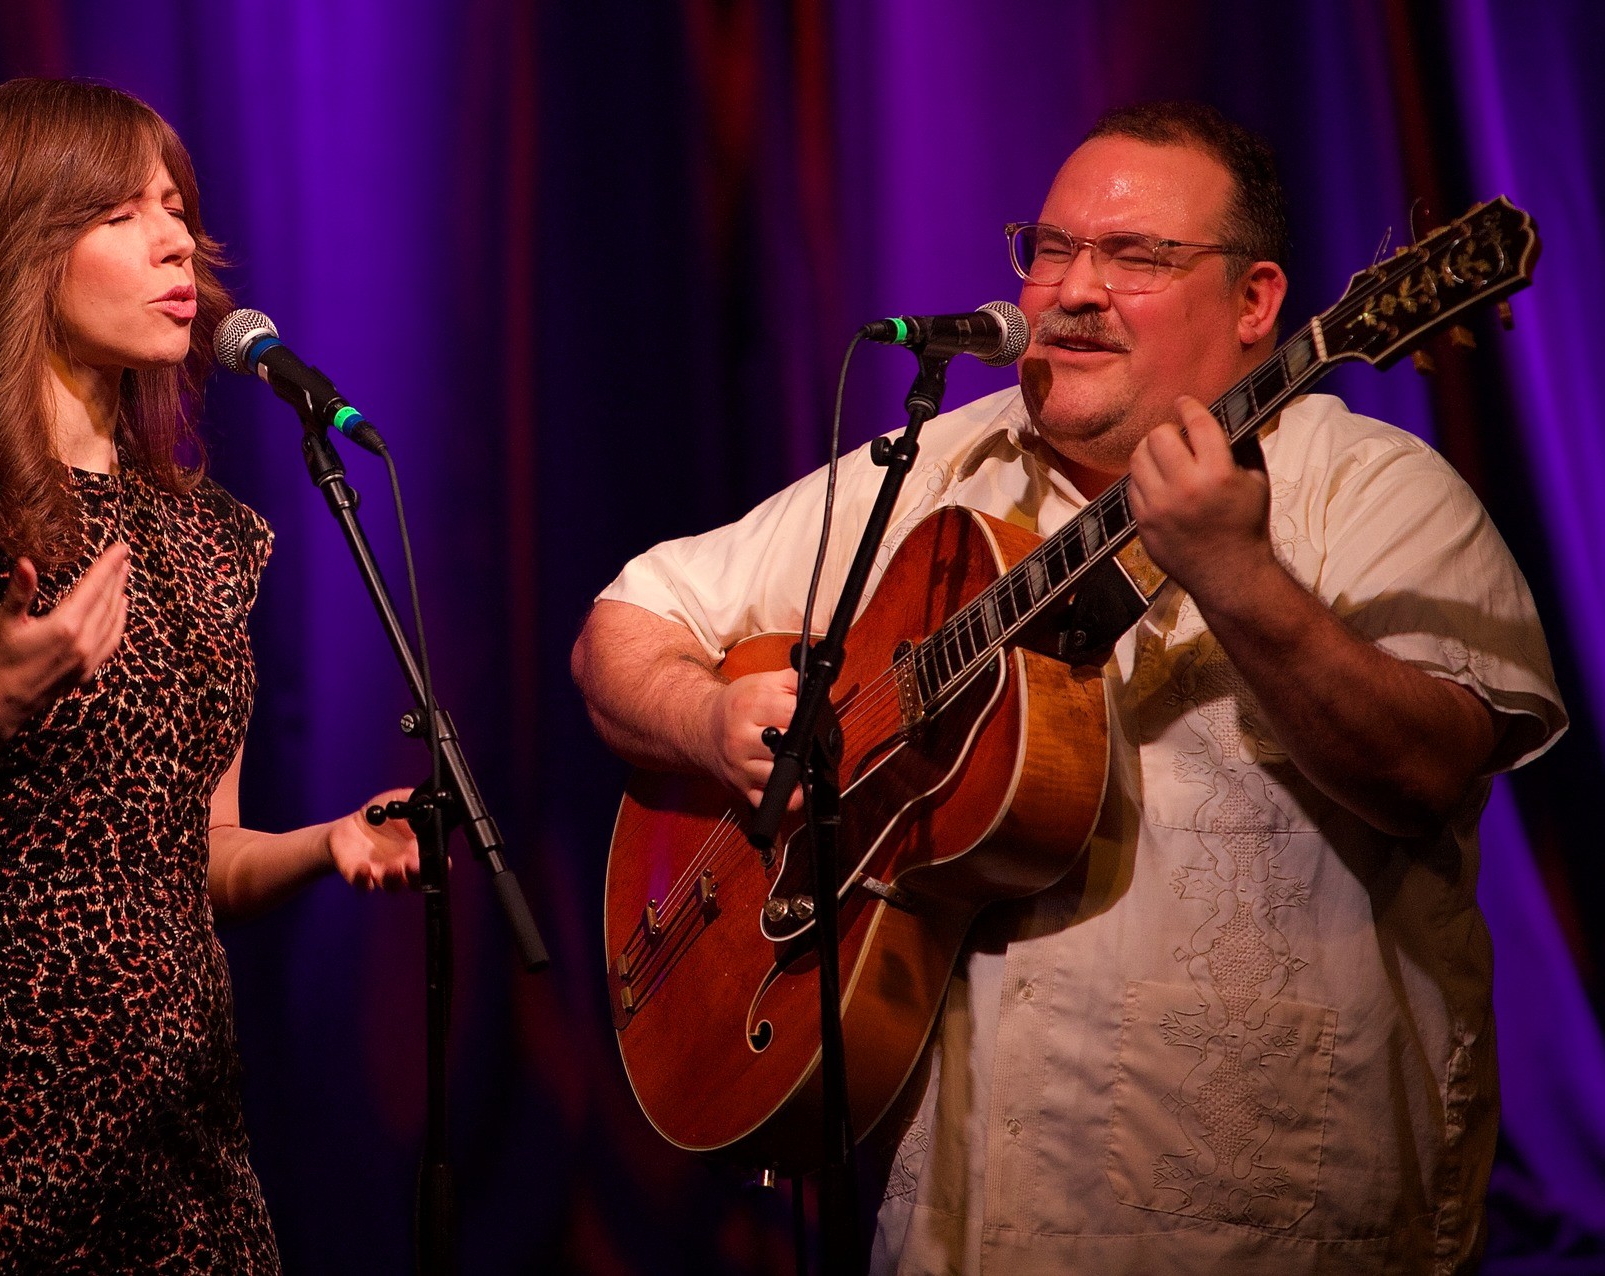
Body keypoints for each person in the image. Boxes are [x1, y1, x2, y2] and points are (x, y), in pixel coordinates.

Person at [572, 101, 1566, 1273]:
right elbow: (627, 621)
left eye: (1135, 256)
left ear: (1254, 302)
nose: (1074, 289)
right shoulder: (936, 466)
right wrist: (707, 718)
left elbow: (1426, 771)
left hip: (1261, 1231)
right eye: (1051, 249)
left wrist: (1235, 576)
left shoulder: (1372, 490)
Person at [0, 79, 418, 1273]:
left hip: (179, 1133)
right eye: (121, 214)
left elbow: (199, 855)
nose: (177, 244)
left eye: (175, 207)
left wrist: (322, 843)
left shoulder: (213, 539)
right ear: (16, 248)